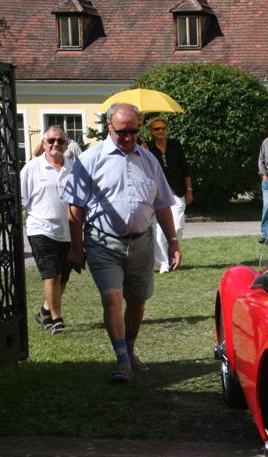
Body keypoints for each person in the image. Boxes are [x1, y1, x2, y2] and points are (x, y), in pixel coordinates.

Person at [63, 102, 182, 384]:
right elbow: (75, 207)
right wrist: (76, 246)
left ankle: (129, 349)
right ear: (109, 127)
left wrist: (174, 242)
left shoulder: (148, 160)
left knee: (138, 300)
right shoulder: (90, 160)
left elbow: (163, 204)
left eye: (132, 131)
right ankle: (122, 358)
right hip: (102, 242)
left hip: (141, 242)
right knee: (112, 298)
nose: (128, 137)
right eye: (122, 132)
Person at [20, 124, 73, 335]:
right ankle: (56, 319)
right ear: (43, 143)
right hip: (40, 228)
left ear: (67, 144)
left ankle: (44, 310)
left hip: (68, 231)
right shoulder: (32, 168)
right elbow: (21, 201)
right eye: (51, 140)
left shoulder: (75, 168)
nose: (55, 144)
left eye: (60, 141)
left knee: (63, 279)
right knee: (52, 276)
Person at [146, 117, 192, 273]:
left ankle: (174, 254)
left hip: (176, 190)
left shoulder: (175, 145)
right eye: (156, 129)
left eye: (163, 128)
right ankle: (163, 262)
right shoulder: (147, 148)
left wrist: (189, 190)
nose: (160, 131)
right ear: (151, 132)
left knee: (177, 226)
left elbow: (185, 169)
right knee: (158, 229)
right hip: (157, 193)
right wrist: (143, 151)